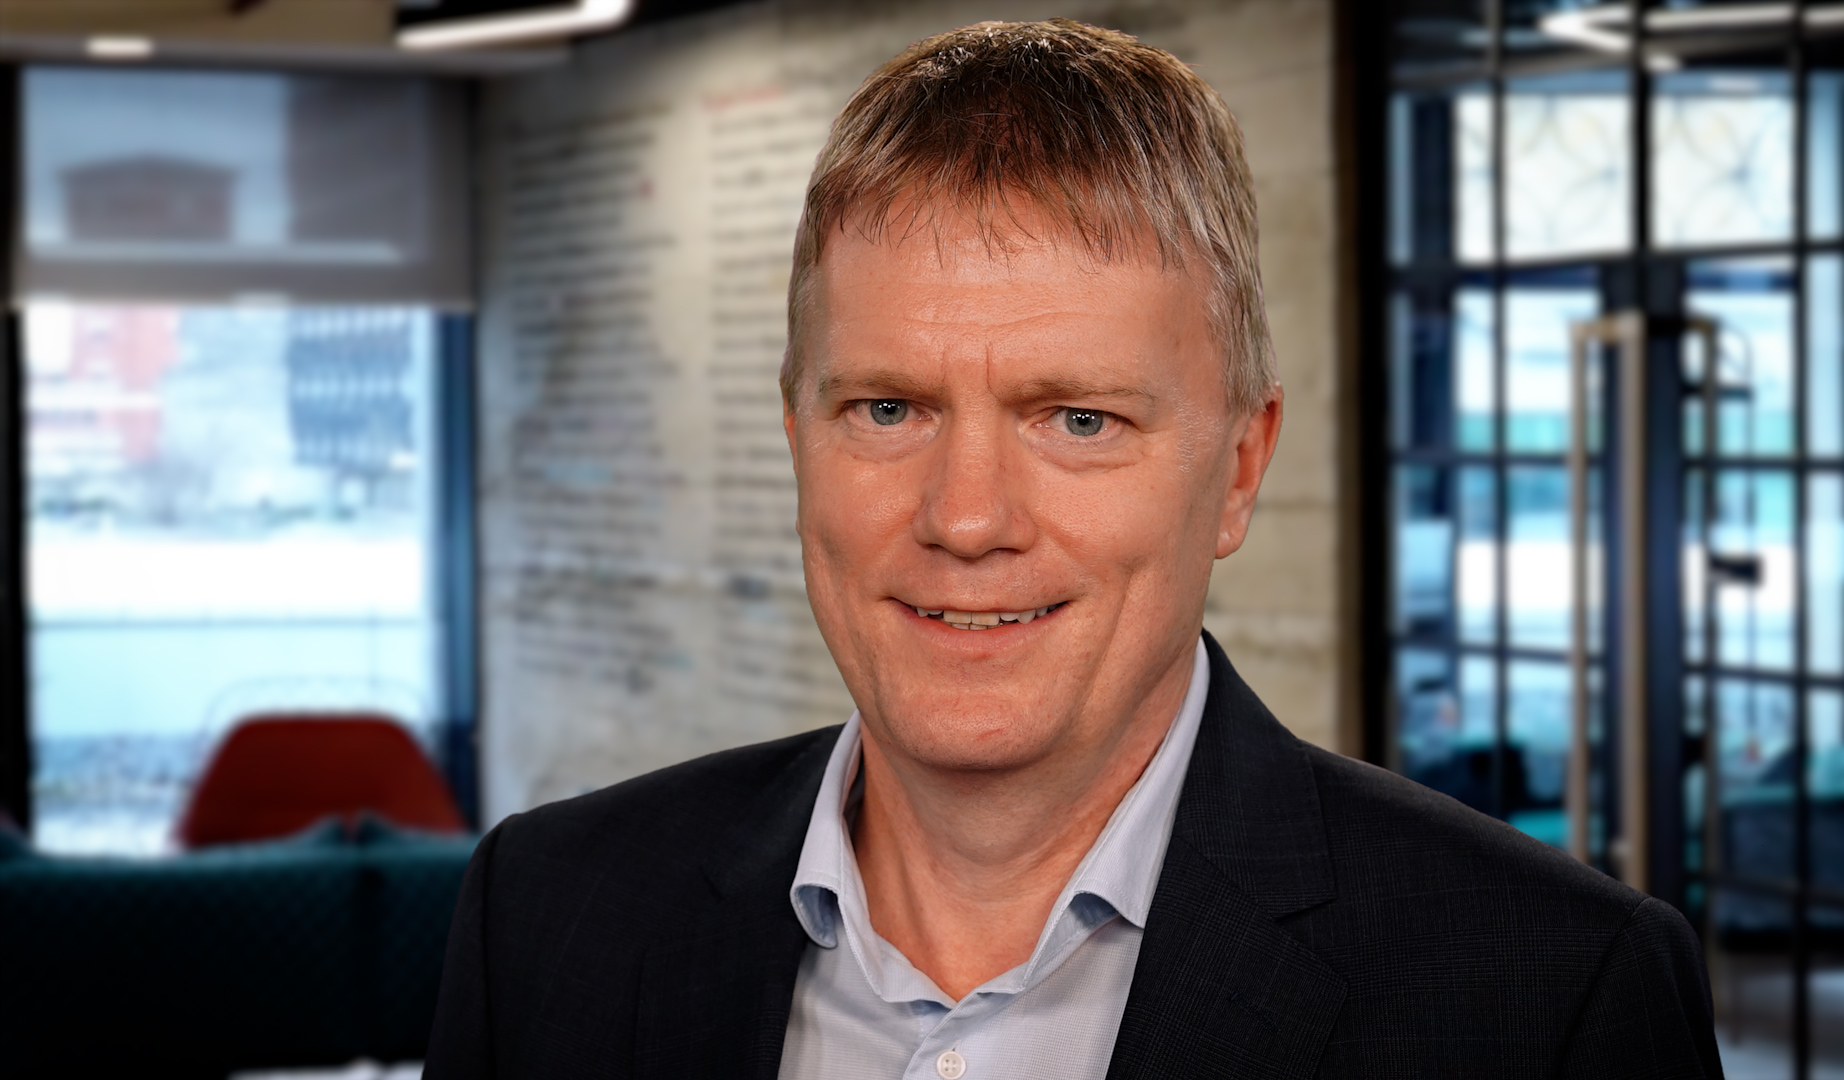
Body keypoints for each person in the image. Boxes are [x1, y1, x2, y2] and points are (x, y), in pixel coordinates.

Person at [424, 19, 1723, 1079]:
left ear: (1239, 469)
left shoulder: (1552, 1002)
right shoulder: (546, 920)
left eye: (1079, 420)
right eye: (888, 409)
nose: (966, 519)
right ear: (797, 436)